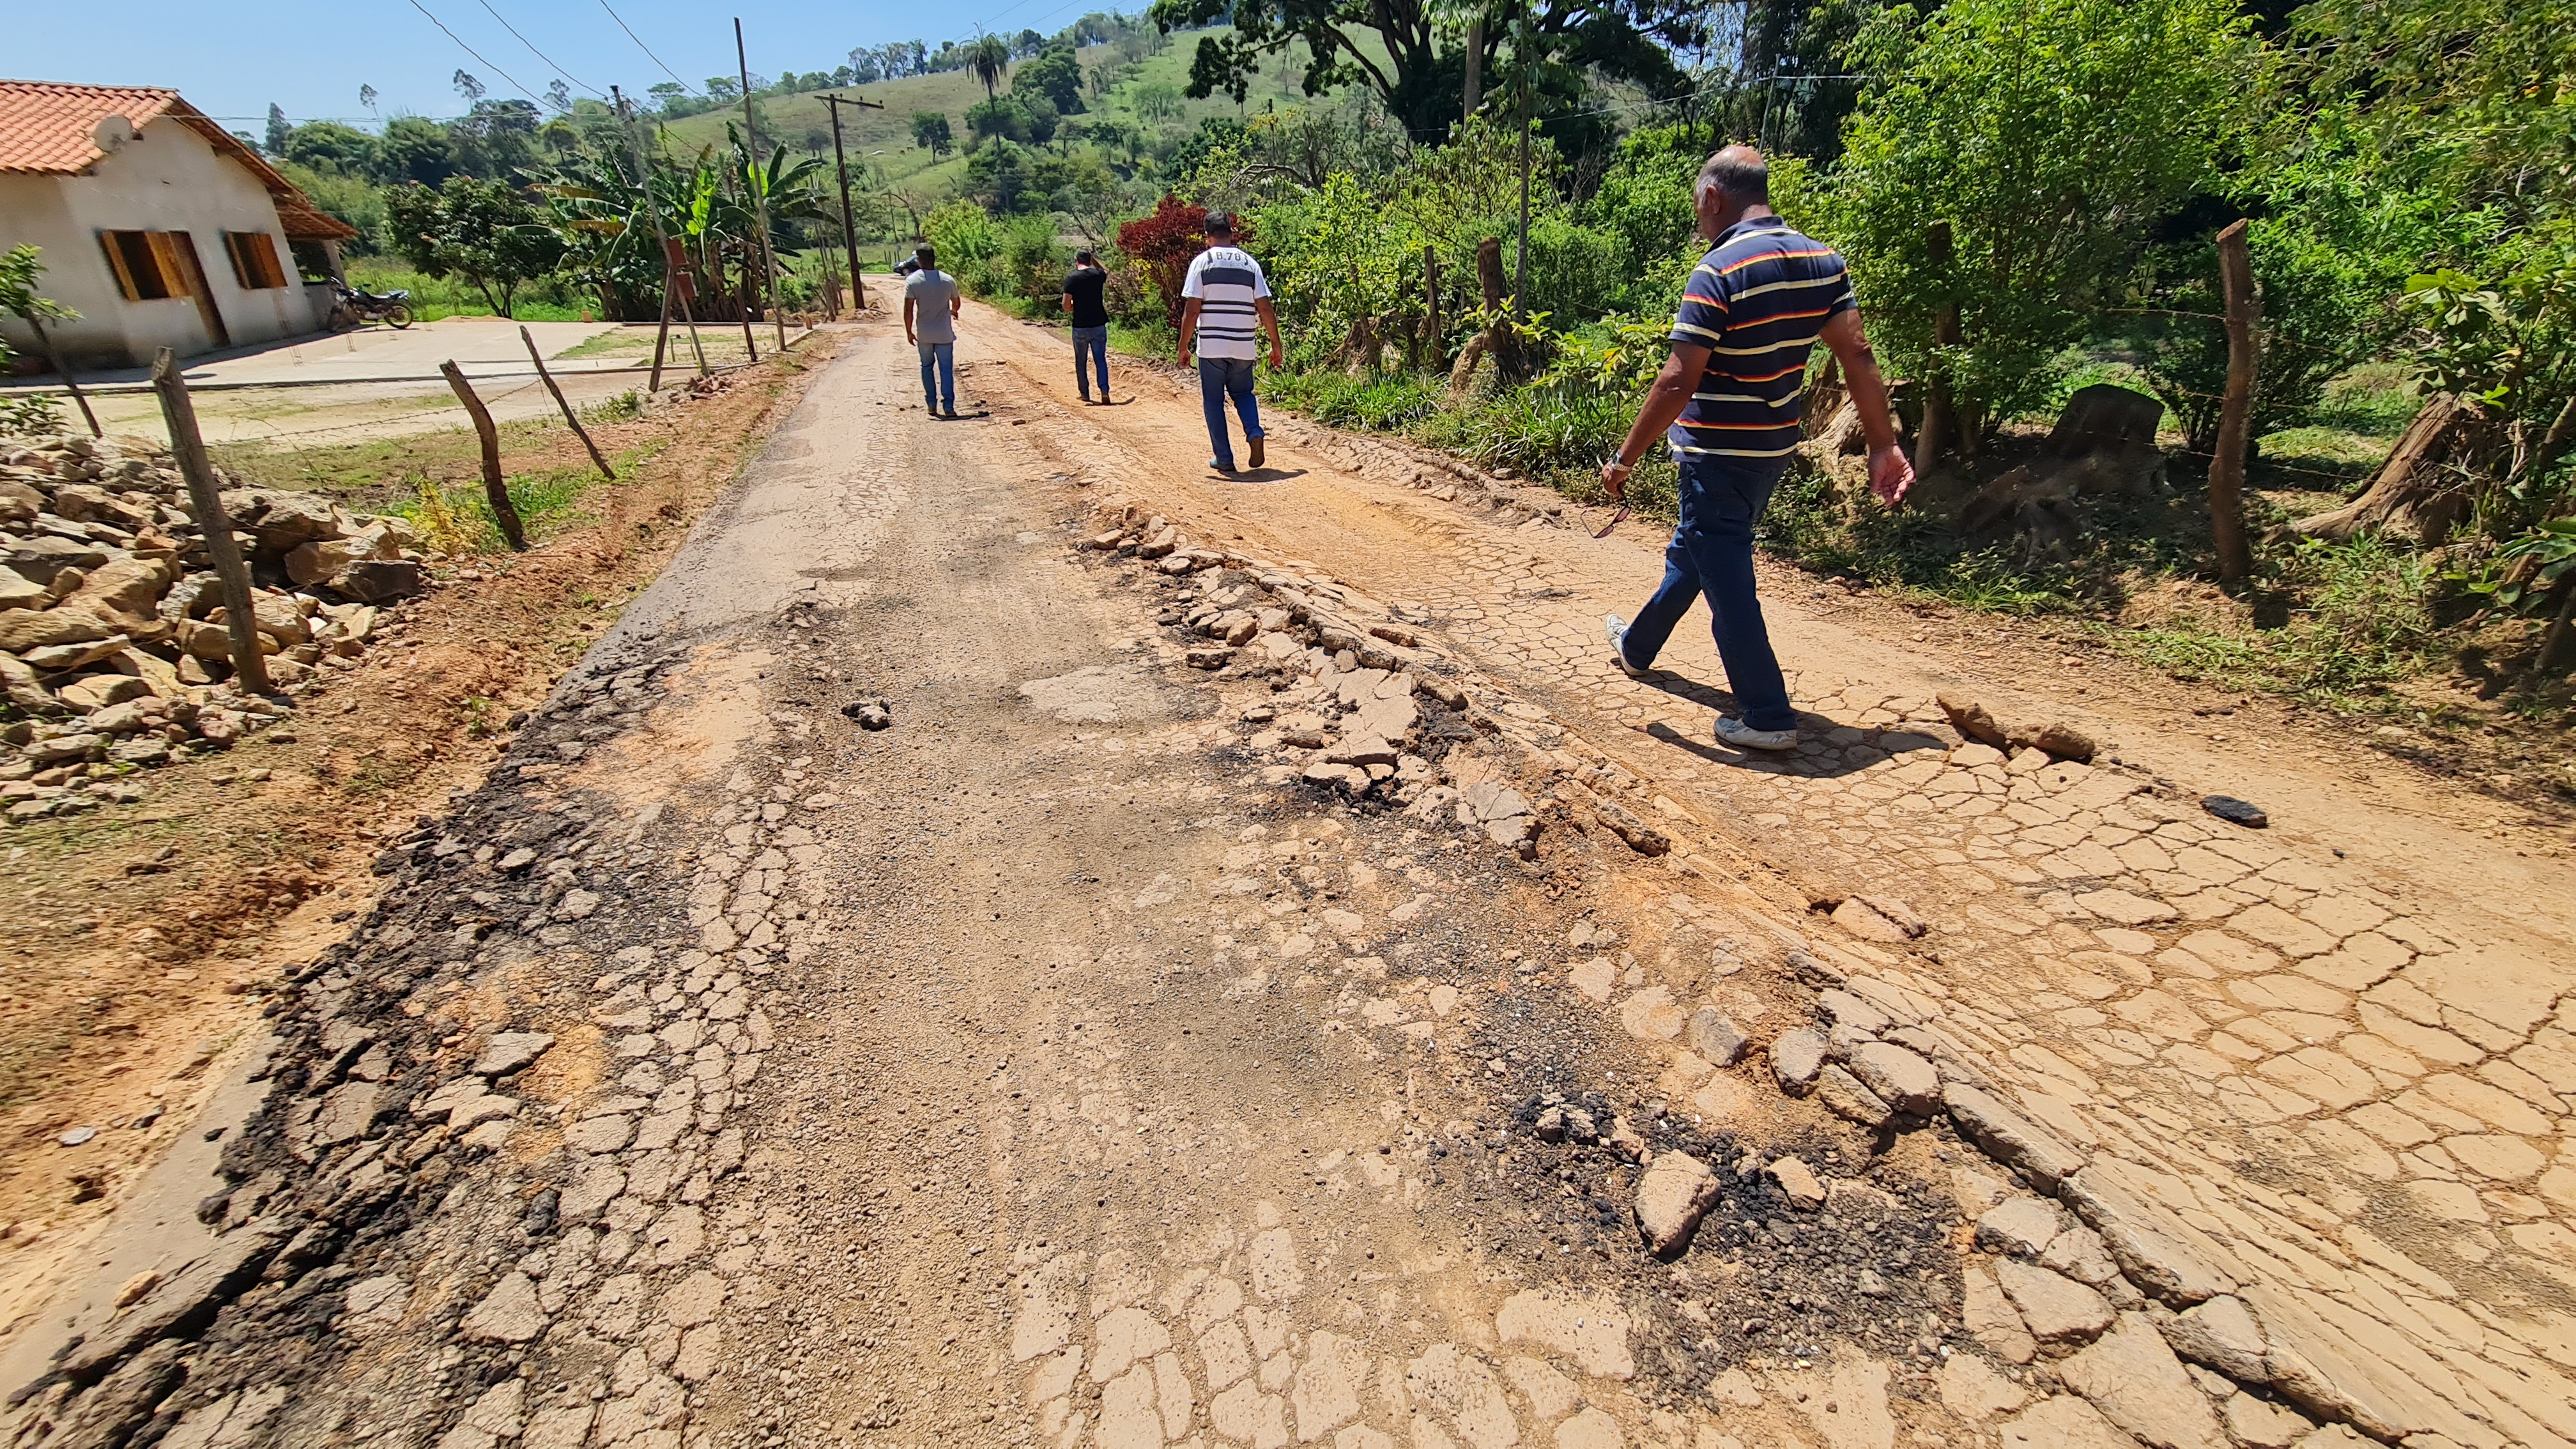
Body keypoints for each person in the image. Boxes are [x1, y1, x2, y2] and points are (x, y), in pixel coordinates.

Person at [1600, 146, 1913, 753]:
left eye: (1698, 207)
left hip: (1715, 454)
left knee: (1727, 577)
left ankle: (1767, 714)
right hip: (1771, 451)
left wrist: (1625, 458)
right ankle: (1637, 648)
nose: (1699, 219)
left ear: (1713, 198)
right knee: (1700, 549)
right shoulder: (1823, 262)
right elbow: (1857, 354)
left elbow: (1675, 380)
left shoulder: (1717, 271)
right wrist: (1883, 445)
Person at [1176, 213, 1284, 473]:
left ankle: (1224, 459)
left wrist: (1183, 346)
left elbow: (1192, 311)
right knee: (1243, 394)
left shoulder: (1201, 263)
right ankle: (1255, 431)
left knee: (1213, 401)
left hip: (1212, 346)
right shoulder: (1250, 264)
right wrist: (1276, 344)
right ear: (1231, 233)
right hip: (1244, 345)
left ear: (1207, 236)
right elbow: (1265, 308)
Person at [903, 244, 962, 417]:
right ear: (934, 259)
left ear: (919, 261)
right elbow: (956, 302)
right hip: (944, 333)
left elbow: (908, 309)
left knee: (927, 367)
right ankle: (949, 406)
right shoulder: (947, 279)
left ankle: (931, 404)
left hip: (925, 334)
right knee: (946, 369)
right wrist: (953, 311)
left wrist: (909, 331)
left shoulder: (913, 281)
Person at [1062, 249, 1112, 404]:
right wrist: (1094, 259)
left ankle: (1085, 394)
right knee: (1100, 360)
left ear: (1076, 260)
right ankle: (1104, 391)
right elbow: (1105, 271)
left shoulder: (1072, 278)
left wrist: (1073, 307)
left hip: (1080, 325)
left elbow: (1066, 305)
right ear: (1090, 261)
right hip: (1098, 324)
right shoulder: (1097, 275)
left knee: (1081, 360)